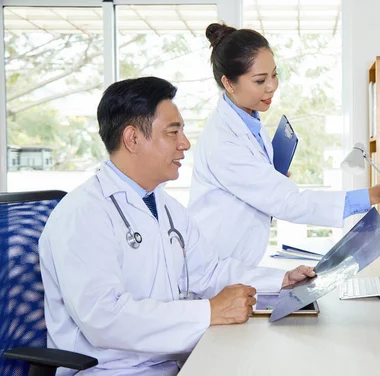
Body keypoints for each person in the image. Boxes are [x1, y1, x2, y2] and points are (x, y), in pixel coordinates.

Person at [39, 77, 316, 375]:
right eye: (173, 132)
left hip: (175, 361)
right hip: (115, 370)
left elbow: (209, 271)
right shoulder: (82, 213)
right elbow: (104, 318)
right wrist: (208, 311)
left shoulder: (166, 206)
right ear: (132, 139)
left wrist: (282, 281)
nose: (184, 144)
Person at [188, 23, 380, 268]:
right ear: (229, 83)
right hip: (216, 265)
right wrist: (373, 195)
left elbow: (261, 188)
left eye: (275, 74)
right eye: (260, 80)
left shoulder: (249, 121)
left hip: (237, 262)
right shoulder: (224, 141)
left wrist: (270, 177)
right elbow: (288, 202)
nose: (272, 86)